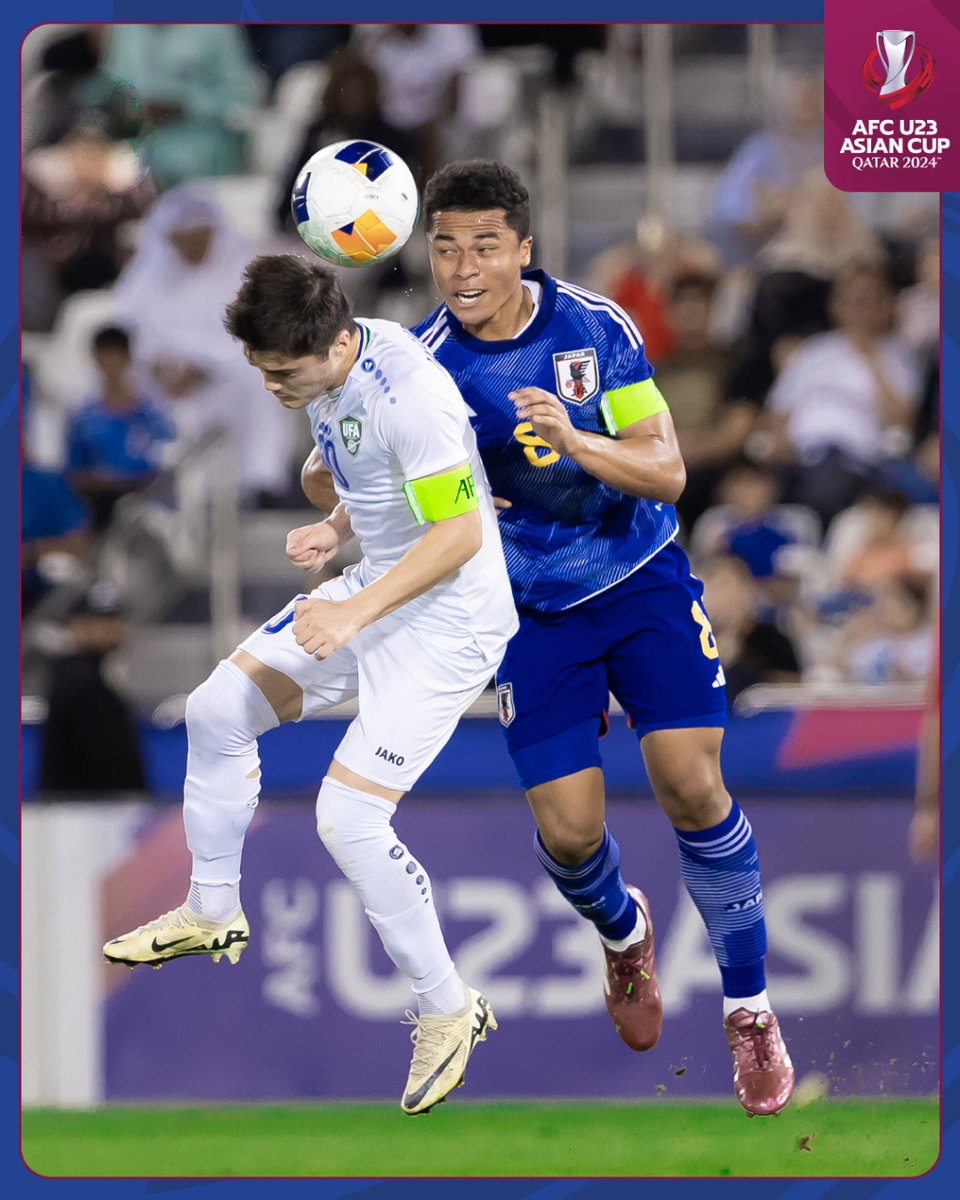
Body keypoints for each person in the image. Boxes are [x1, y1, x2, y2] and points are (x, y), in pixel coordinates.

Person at [404, 160, 794, 1116]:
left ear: (523, 250)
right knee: (570, 832)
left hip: (640, 578)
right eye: (446, 244)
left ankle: (750, 1011)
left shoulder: (593, 329)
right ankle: (624, 934)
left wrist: (576, 440)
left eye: (485, 245)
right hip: (530, 612)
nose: (464, 265)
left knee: (693, 783)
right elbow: (338, 473)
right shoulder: (417, 367)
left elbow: (665, 472)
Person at [102, 254, 518, 1117]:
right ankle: (211, 906)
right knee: (215, 709)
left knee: (348, 816)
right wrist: (336, 525)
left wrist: (354, 608)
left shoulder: (409, 393)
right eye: (260, 371)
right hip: (379, 596)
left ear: (335, 344)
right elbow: (381, 486)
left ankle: (449, 1008)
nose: (270, 387)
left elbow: (459, 535)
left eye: (282, 373)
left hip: (448, 627)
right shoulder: (332, 374)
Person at [39, 581, 148, 794]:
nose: (113, 627)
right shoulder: (77, 683)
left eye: (115, 619)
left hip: (94, 814)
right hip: (84, 815)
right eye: (101, 620)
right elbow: (109, 765)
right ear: (76, 626)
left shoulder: (94, 679)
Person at [66, 325, 176, 533]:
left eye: (115, 355)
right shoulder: (82, 417)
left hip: (147, 507)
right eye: (104, 356)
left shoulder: (151, 414)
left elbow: (166, 463)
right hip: (98, 508)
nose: (110, 363)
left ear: (128, 358)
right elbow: (73, 472)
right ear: (95, 359)